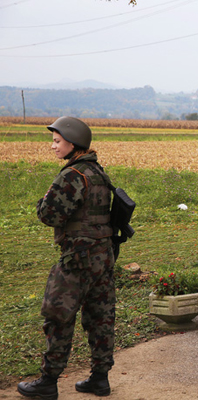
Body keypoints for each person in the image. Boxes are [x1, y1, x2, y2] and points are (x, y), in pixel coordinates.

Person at [18, 117, 116, 399]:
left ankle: (48, 382)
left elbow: (47, 214)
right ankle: (100, 379)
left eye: (57, 141)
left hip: (77, 258)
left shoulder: (73, 175)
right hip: (103, 256)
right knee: (101, 317)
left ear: (73, 142)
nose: (53, 146)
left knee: (57, 315)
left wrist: (43, 201)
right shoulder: (97, 171)